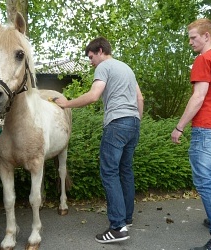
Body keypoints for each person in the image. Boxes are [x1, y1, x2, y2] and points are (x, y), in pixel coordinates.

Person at [54, 36, 144, 244]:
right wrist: (136, 119)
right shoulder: (127, 68)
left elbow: (94, 95)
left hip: (117, 124)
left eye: (91, 56)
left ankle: (117, 227)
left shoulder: (104, 67)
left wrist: (66, 104)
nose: (90, 61)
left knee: (109, 172)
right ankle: (127, 218)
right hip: (133, 123)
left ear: (101, 50)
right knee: (125, 170)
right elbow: (140, 98)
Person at [171, 18, 211, 250]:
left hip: (206, 127)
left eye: (193, 37)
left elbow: (198, 97)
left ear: (206, 36)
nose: (190, 42)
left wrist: (179, 126)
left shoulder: (204, 59)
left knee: (205, 181)